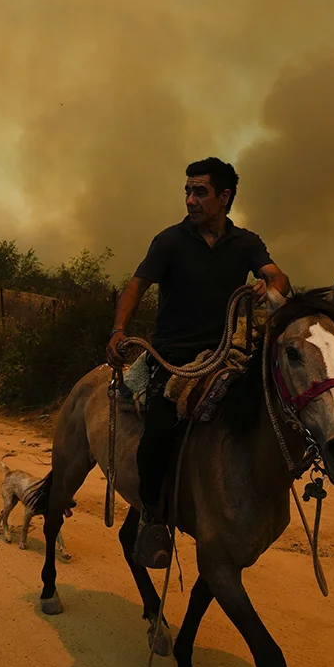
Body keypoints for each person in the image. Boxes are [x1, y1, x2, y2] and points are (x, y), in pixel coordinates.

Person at [106, 157, 290, 570]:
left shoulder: (245, 243)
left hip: (224, 356)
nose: (190, 199)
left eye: (199, 191)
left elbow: (279, 278)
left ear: (224, 197)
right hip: (170, 359)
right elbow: (136, 285)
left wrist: (267, 285)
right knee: (158, 431)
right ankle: (153, 517)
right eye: (187, 191)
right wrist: (118, 330)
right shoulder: (170, 241)